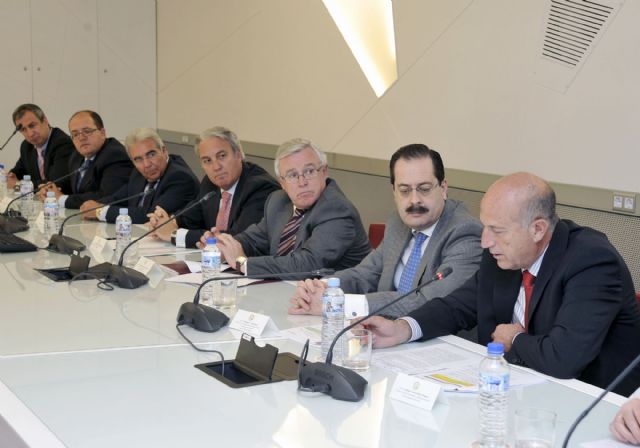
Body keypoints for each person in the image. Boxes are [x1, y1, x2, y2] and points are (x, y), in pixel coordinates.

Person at [364, 172, 640, 396]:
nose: (485, 242)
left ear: (538, 229)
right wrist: (403, 328)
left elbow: (564, 358)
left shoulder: (591, 262)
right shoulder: (503, 255)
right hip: (522, 388)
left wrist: (514, 339)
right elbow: (457, 306)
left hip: (597, 405)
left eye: (497, 230)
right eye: (485, 227)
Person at [289, 143, 482, 317]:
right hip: (385, 330)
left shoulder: (464, 233)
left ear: (443, 188)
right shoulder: (398, 222)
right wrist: (322, 288)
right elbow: (365, 274)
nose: (414, 200)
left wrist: (339, 303)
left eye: (424, 189)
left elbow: (428, 302)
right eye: (404, 190)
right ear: (394, 192)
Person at [211, 138, 371, 278]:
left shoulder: (336, 210)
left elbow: (307, 264)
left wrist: (243, 263)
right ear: (282, 183)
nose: (302, 182)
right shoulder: (278, 201)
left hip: (336, 298)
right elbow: (253, 240)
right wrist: (224, 246)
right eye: (292, 175)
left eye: (309, 171)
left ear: (324, 172)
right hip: (287, 292)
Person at [148, 126, 280, 248]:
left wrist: (174, 235)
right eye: (207, 161)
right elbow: (191, 216)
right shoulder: (211, 183)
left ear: (238, 154)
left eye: (222, 156)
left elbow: (237, 240)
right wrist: (165, 222)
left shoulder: (261, 188)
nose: (216, 167)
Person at [79, 128, 199, 223]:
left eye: (151, 154)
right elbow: (117, 198)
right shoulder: (138, 173)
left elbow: (151, 215)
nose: (147, 164)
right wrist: (94, 206)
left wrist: (100, 212)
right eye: (138, 159)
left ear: (164, 151)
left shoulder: (180, 178)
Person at [37, 110, 132, 208]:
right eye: (75, 134)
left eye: (87, 131)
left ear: (102, 133)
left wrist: (61, 199)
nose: (81, 138)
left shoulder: (115, 155)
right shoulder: (77, 156)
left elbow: (107, 196)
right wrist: (50, 189)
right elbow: (69, 184)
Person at [7, 103, 75, 191]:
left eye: (32, 125)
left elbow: (55, 182)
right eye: (23, 129)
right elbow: (19, 171)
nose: (30, 134)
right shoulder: (27, 146)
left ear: (45, 120)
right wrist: (10, 177)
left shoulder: (63, 144)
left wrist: (19, 185)